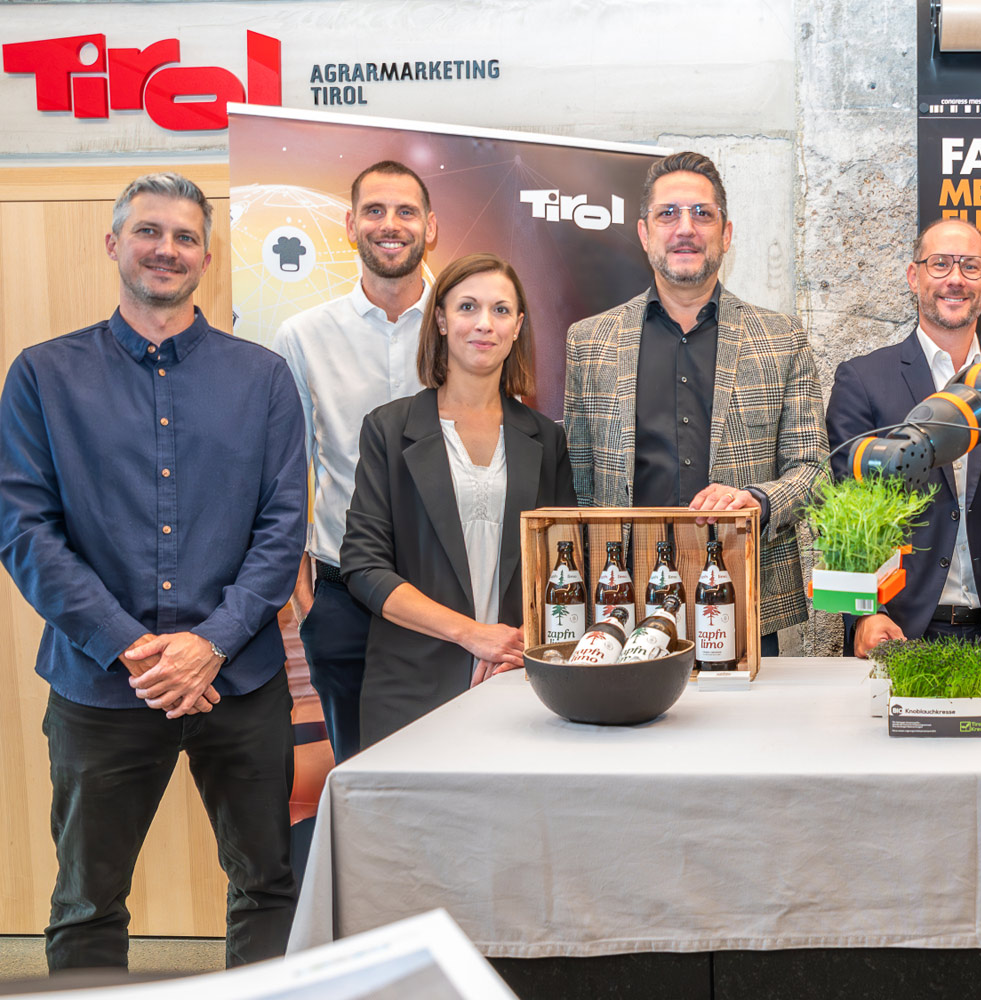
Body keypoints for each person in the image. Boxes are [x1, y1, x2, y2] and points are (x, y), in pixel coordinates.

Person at [0, 173, 305, 969]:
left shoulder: (263, 378)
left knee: (270, 886)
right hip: (101, 685)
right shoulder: (42, 375)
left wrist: (211, 643)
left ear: (206, 255)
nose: (165, 249)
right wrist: (135, 649)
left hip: (238, 681)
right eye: (148, 231)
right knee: (86, 902)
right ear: (113, 244)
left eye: (183, 236)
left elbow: (282, 529)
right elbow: (23, 528)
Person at [563, 151, 824, 654]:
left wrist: (760, 500)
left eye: (702, 214)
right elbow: (579, 481)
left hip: (743, 598)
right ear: (644, 233)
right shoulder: (588, 343)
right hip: (623, 603)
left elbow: (813, 470)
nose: (686, 228)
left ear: (726, 234)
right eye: (668, 214)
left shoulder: (782, 339)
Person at [340, 253, 575, 748]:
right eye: (468, 307)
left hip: (517, 681)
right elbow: (364, 568)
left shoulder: (545, 440)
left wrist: (511, 644)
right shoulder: (387, 430)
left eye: (501, 310)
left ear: (518, 327)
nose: (484, 324)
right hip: (411, 688)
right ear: (442, 320)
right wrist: (472, 634)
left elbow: (561, 569)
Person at [272, 159, 437, 763]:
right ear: (349, 225)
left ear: (431, 227)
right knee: (361, 776)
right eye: (374, 210)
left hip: (449, 591)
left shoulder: (465, 326)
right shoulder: (302, 335)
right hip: (344, 599)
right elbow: (286, 468)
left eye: (405, 211)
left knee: (452, 773)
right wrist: (304, 597)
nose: (389, 225)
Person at [825, 219, 981, 656]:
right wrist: (864, 613)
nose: (954, 279)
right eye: (940, 264)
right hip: (898, 628)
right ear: (914, 277)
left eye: (970, 267)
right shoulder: (863, 380)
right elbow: (844, 513)